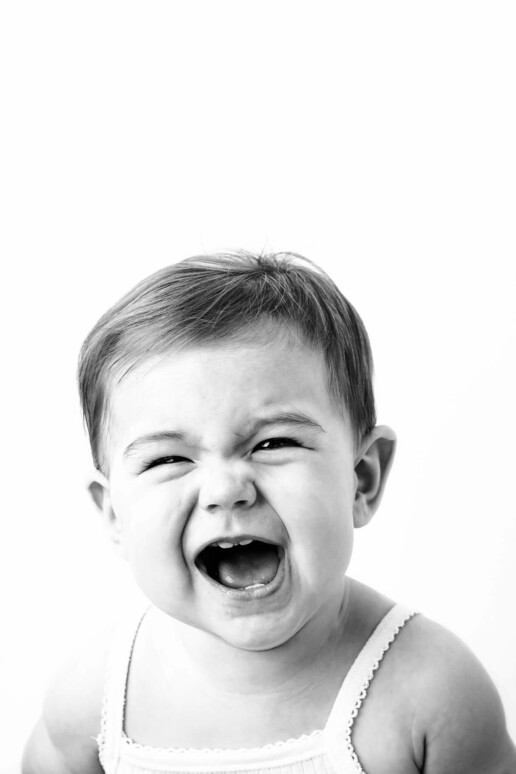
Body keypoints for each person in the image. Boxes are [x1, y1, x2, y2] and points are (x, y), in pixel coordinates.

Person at [22, 252, 516, 773]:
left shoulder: (430, 695)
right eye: (169, 458)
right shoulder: (93, 700)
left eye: (273, 442)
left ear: (362, 478)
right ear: (114, 515)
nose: (226, 489)